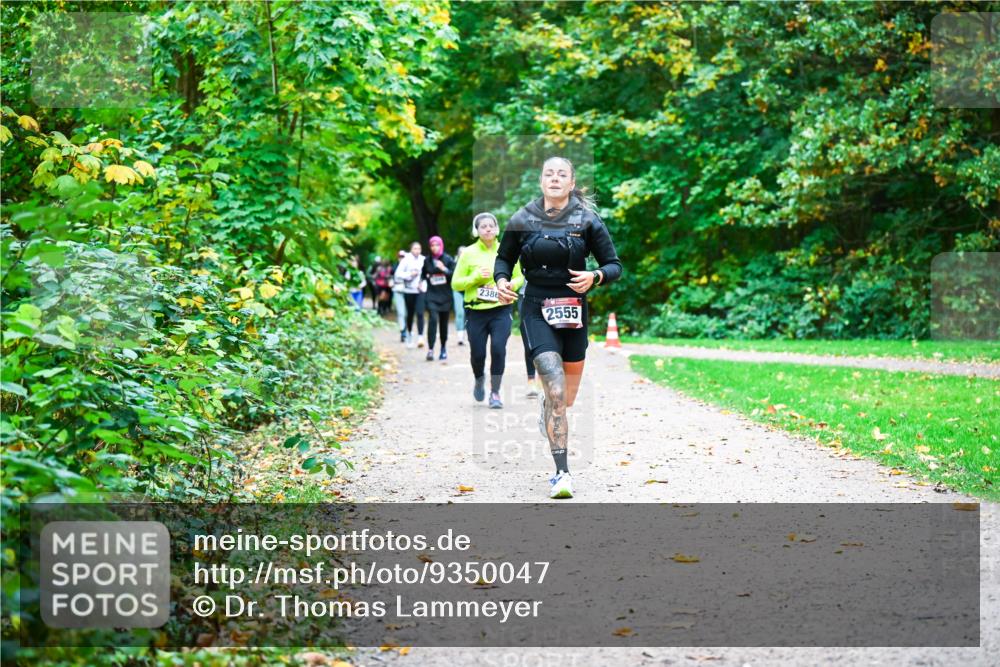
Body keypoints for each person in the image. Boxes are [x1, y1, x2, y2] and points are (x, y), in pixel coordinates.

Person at [494, 157, 622, 499]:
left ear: (571, 182)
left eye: (561, 174)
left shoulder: (588, 220)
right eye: (549, 173)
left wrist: (595, 276)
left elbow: (614, 265)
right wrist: (502, 279)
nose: (554, 178)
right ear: (541, 181)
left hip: (574, 312)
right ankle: (562, 473)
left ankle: (549, 410)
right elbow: (503, 258)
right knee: (553, 386)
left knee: (565, 399)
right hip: (535, 308)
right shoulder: (522, 218)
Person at [452, 213, 523, 409]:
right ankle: (478, 378)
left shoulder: (507, 249)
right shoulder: (468, 253)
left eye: (491, 225)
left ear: (497, 228)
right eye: (483, 226)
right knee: (478, 354)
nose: (488, 229)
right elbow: (455, 283)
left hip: (501, 309)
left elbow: (520, 277)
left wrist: (509, 284)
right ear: (477, 230)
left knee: (499, 350)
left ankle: (495, 393)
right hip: (476, 311)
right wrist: (474, 277)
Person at [422, 235, 455, 361]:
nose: (434, 248)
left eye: (436, 245)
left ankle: (443, 348)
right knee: (432, 320)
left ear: (441, 245)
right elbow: (423, 275)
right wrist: (424, 279)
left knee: (443, 324)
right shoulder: (427, 260)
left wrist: (444, 269)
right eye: (432, 245)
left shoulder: (447, 259)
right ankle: (430, 349)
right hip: (431, 295)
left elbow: (454, 275)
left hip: (445, 296)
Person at [395, 242, 426, 348]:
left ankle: (421, 337)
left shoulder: (423, 259)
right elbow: (398, 274)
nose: (417, 250)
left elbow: (427, 273)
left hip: (420, 291)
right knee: (410, 314)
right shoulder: (405, 260)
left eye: (419, 248)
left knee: (420, 313)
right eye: (415, 248)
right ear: (411, 249)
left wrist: (423, 283)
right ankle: (409, 335)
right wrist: (409, 275)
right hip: (409, 291)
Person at [391, 250, 408, 342]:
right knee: (401, 312)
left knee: (407, 312)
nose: (401, 259)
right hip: (397, 290)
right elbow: (390, 277)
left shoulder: (409, 267)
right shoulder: (394, 267)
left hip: (408, 291)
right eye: (400, 257)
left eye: (403, 257)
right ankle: (403, 330)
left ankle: (407, 328)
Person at [452, 245, 467, 346]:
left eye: (464, 252)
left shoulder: (472, 263)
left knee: (468, 312)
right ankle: (460, 336)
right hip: (457, 290)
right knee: (460, 312)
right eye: (461, 252)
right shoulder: (454, 264)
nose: (463, 254)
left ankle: (467, 333)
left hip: (469, 290)